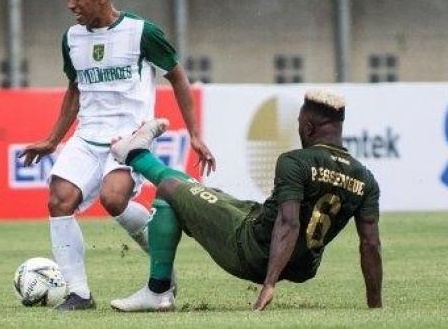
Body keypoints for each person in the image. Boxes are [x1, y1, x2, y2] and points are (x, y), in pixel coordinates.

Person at [20, 0, 215, 311]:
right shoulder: (72, 39)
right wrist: (52, 139)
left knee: (114, 198)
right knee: (58, 200)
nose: (70, 4)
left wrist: (196, 135)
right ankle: (79, 293)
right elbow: (75, 90)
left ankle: (161, 260)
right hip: (86, 136)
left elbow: (178, 77)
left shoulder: (142, 33)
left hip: (128, 139)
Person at [108, 89, 382, 311]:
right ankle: (138, 151)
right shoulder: (365, 178)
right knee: (184, 187)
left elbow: (289, 223)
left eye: (299, 124)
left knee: (168, 187)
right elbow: (371, 244)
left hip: (251, 249)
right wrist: (375, 305)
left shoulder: (295, 162)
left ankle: (158, 290)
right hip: (301, 264)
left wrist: (269, 284)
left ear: (308, 127)